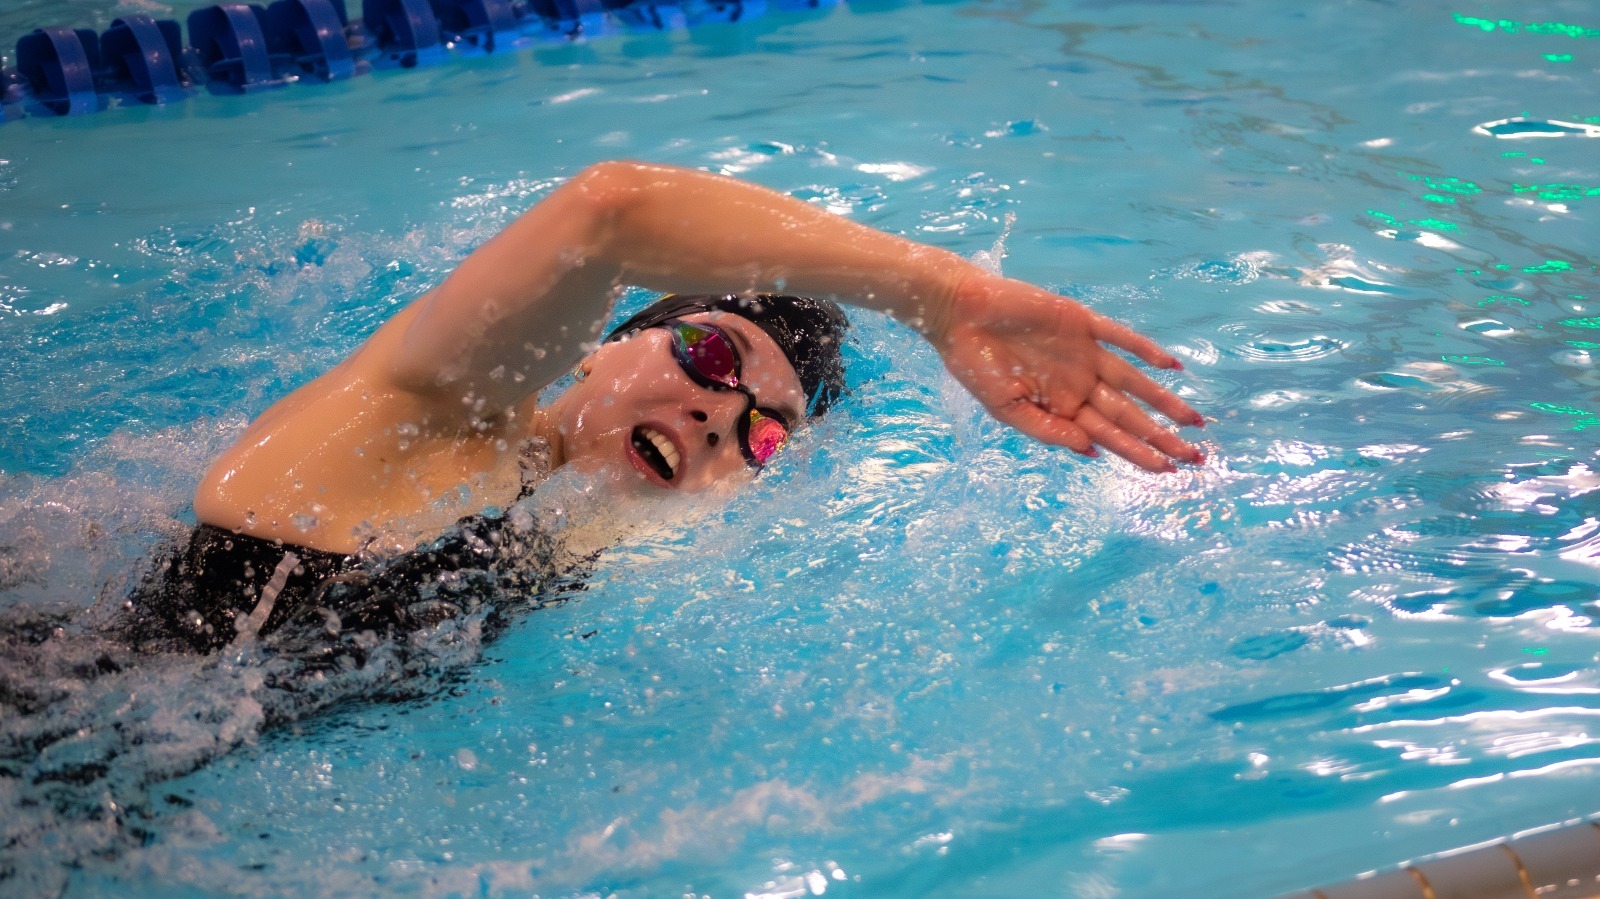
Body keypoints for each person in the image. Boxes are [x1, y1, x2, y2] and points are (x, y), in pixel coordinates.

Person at [125, 160, 1205, 655]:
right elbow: (609, 211)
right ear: (598, 342)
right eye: (707, 356)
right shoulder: (431, 419)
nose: (714, 418)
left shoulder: (558, 544)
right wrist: (940, 293)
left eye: (761, 433)